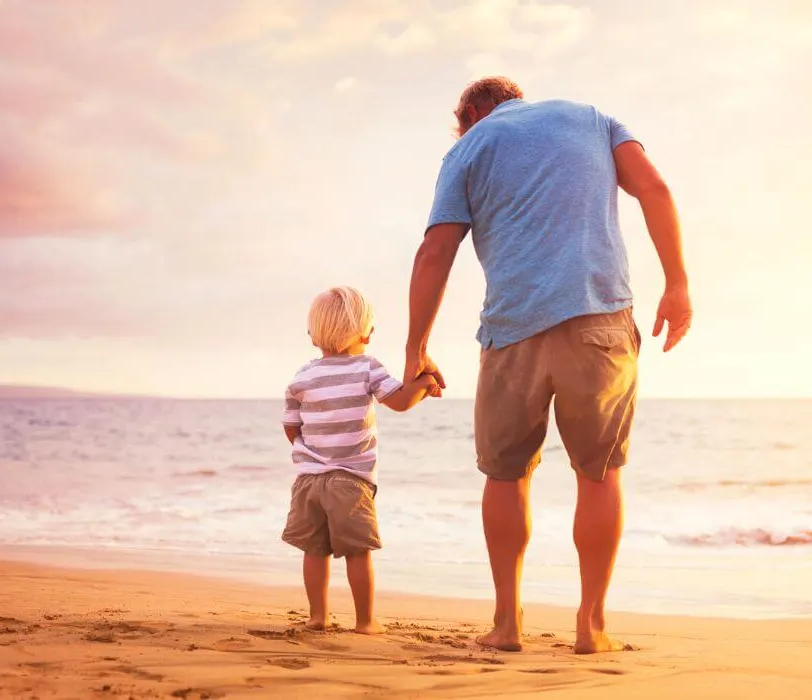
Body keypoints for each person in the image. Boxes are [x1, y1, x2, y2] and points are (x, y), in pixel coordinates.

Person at [404, 77, 693, 654]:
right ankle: (592, 626)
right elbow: (655, 189)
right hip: (600, 320)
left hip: (513, 333)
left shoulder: (468, 147)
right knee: (600, 471)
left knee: (506, 475)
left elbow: (437, 249)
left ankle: (507, 625)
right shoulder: (591, 118)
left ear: (471, 112)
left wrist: (415, 350)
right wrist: (678, 284)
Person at [281, 286, 441, 635]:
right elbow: (398, 401)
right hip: (350, 479)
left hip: (308, 480)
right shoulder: (367, 367)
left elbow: (291, 427)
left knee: (314, 550)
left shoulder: (302, 375)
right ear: (365, 331)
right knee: (357, 552)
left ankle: (317, 616)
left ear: (313, 334)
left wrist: (312, 454)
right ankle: (366, 621)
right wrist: (425, 382)